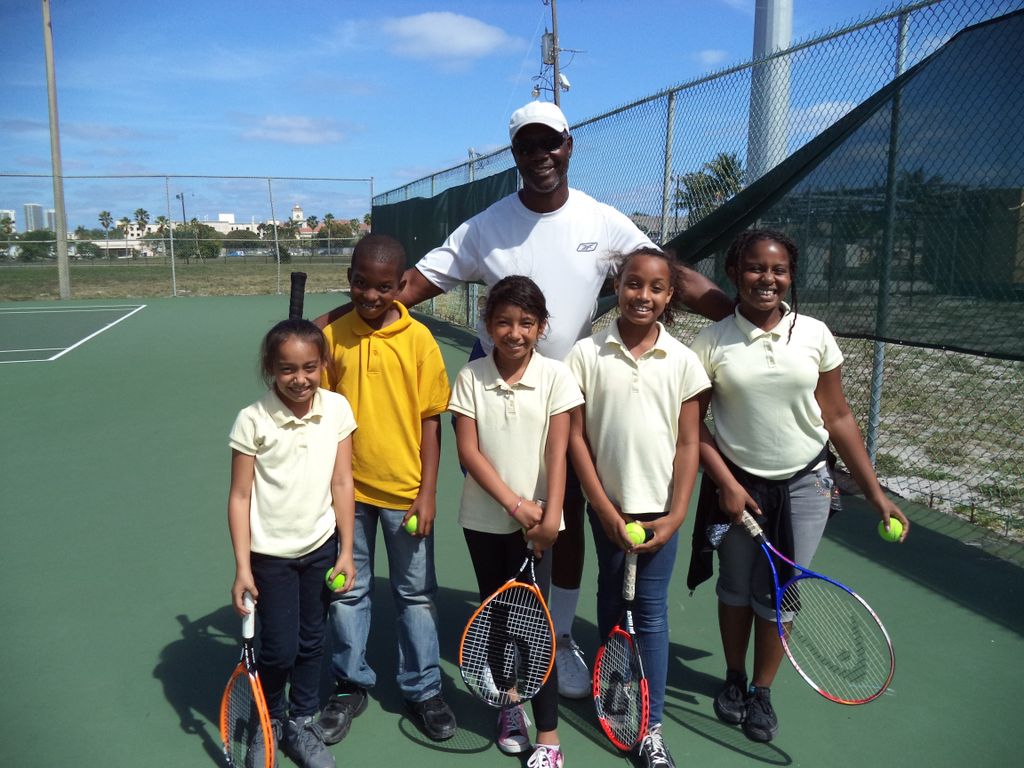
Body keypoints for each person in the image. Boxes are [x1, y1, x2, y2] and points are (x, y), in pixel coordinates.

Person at [316, 100, 733, 698]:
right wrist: (327, 323)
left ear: (569, 146)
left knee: (564, 529)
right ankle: (510, 637)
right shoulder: (485, 226)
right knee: (501, 522)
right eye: (528, 147)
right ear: (515, 155)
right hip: (499, 404)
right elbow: (409, 285)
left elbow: (673, 275)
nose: (541, 157)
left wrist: (746, 316)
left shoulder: (602, 221)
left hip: (572, 401)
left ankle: (559, 640)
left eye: (551, 144)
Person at [687, 229, 911, 744]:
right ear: (734, 273)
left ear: (791, 276)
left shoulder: (814, 333)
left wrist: (876, 493)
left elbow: (837, 415)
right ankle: (735, 678)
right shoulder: (711, 341)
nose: (767, 279)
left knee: (780, 595)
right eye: (755, 268)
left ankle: (762, 692)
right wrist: (724, 481)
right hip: (738, 489)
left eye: (779, 270)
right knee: (735, 588)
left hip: (808, 485)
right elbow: (693, 426)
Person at [566, 247, 709, 768]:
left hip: (658, 516)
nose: (641, 296)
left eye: (654, 288)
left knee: (649, 614)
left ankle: (649, 728)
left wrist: (675, 515)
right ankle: (616, 684)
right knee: (610, 599)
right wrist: (601, 506)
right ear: (617, 286)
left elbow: (690, 444)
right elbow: (576, 438)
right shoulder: (586, 353)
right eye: (632, 284)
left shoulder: (684, 360)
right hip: (608, 510)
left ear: (669, 296)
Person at [317, 234, 456, 744]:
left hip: (405, 494)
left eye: (382, 287)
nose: (370, 296)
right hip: (348, 494)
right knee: (347, 591)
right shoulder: (334, 337)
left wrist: (428, 493)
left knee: (415, 595)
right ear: (349, 279)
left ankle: (422, 689)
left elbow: (430, 424)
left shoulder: (420, 341)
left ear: (401, 286)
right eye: (359, 283)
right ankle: (348, 684)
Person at [449, 275, 584, 768]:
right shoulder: (470, 378)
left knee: (537, 627)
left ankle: (549, 739)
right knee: (499, 616)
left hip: (541, 526)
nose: (515, 332)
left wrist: (550, 517)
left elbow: (558, 450)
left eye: (527, 323)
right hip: (484, 521)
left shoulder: (556, 377)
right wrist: (516, 506)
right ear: (487, 326)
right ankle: (510, 706)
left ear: (542, 327)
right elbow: (469, 451)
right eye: (503, 322)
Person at [227, 318, 357, 768]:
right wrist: (243, 567)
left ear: (323, 364)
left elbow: (342, 481)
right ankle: (272, 720)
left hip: (320, 548)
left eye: (309, 367)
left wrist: (345, 549)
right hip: (271, 557)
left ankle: (301, 723)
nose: (299, 379)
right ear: (270, 368)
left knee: (311, 641)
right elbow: (240, 496)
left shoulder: (337, 410)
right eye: (287, 369)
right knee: (279, 648)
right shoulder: (252, 420)